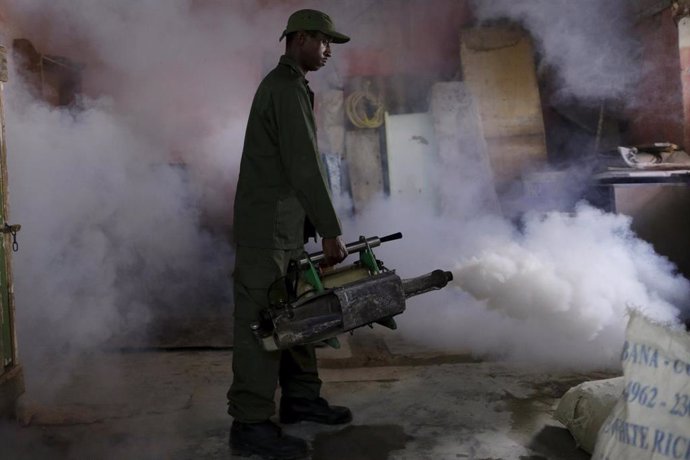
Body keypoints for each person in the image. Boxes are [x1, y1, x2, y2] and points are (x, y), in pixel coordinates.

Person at [227, 9, 351, 460]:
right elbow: (304, 167)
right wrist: (332, 231)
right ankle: (250, 423)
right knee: (262, 324)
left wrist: (309, 228)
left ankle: (301, 400)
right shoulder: (283, 89)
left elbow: (297, 168)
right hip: (267, 233)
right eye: (323, 41)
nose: (328, 50)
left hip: (284, 230)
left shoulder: (292, 86)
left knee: (296, 316)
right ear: (300, 39)